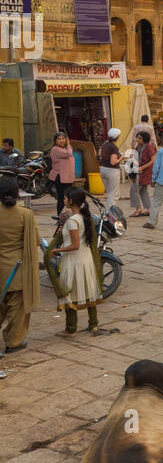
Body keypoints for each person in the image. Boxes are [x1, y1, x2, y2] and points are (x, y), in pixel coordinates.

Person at [49, 187, 103, 336]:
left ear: (71, 201)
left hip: (73, 261)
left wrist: (55, 251)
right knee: (89, 291)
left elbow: (74, 245)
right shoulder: (85, 217)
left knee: (69, 294)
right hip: (86, 260)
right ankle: (93, 324)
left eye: (65, 198)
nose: (64, 200)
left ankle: (71, 329)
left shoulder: (73, 221)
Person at [0, 176, 40, 354]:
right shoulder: (25, 214)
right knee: (17, 309)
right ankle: (13, 342)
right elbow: (36, 240)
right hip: (17, 269)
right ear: (17, 193)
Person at [48, 131, 76, 218]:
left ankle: (66, 215)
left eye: (63, 139)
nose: (61, 141)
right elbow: (69, 154)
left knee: (68, 198)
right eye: (59, 139)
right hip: (60, 177)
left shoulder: (64, 149)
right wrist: (68, 145)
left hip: (67, 177)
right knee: (61, 198)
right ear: (55, 141)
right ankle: (59, 216)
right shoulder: (56, 149)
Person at [129, 131, 155, 217]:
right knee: (143, 191)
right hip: (139, 170)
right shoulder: (138, 146)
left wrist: (142, 167)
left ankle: (138, 208)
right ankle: (149, 209)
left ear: (144, 138)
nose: (137, 139)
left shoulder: (149, 147)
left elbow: (153, 160)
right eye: (137, 137)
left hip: (144, 171)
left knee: (134, 190)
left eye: (140, 138)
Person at [99, 128, 122, 211]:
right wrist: (121, 158)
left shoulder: (104, 144)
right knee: (113, 194)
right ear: (117, 137)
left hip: (103, 169)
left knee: (109, 192)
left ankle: (109, 210)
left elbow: (99, 155)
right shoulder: (114, 147)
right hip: (112, 171)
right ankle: (111, 212)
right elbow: (113, 162)